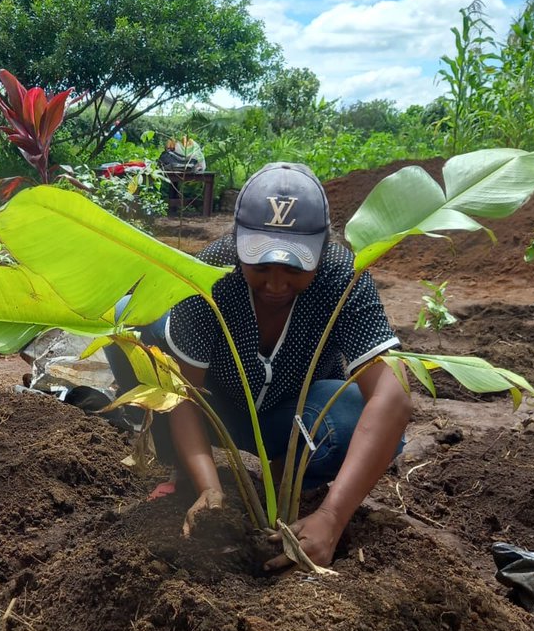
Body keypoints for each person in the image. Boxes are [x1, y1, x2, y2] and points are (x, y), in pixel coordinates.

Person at [109, 162, 412, 568]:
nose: (275, 283)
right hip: (213, 406)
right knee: (133, 318)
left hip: (290, 421)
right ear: (238, 244)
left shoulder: (343, 277)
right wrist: (210, 490)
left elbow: (393, 397)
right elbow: (181, 394)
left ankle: (285, 482)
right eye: (261, 265)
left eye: (294, 268)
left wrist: (332, 518)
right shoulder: (211, 272)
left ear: (322, 250)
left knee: (353, 416)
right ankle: (182, 470)